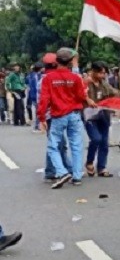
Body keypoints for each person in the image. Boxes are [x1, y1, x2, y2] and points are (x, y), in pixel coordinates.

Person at [38, 48, 93, 189]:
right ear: (70, 62)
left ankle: (62, 172)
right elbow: (81, 96)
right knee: (76, 145)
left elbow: (44, 100)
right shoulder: (75, 78)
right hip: (74, 114)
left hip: (58, 115)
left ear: (57, 61)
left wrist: (41, 117)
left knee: (53, 146)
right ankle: (77, 176)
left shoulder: (48, 79)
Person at [84, 61, 120, 178]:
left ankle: (102, 167)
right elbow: (78, 93)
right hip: (89, 115)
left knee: (104, 142)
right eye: (100, 73)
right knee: (96, 139)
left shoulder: (103, 83)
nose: (103, 75)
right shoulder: (84, 82)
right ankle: (89, 162)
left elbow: (112, 91)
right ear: (93, 72)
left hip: (103, 115)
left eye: (104, 73)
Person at [38, 53, 71, 182]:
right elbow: (44, 100)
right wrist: (42, 118)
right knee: (58, 143)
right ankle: (55, 170)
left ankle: (54, 169)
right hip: (52, 115)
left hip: (57, 114)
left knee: (57, 143)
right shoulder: (49, 79)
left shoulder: (50, 78)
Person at [26, 63, 43, 131]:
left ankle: (37, 125)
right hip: (37, 96)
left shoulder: (30, 76)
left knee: (38, 110)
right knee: (39, 110)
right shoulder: (37, 76)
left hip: (33, 96)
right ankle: (37, 125)